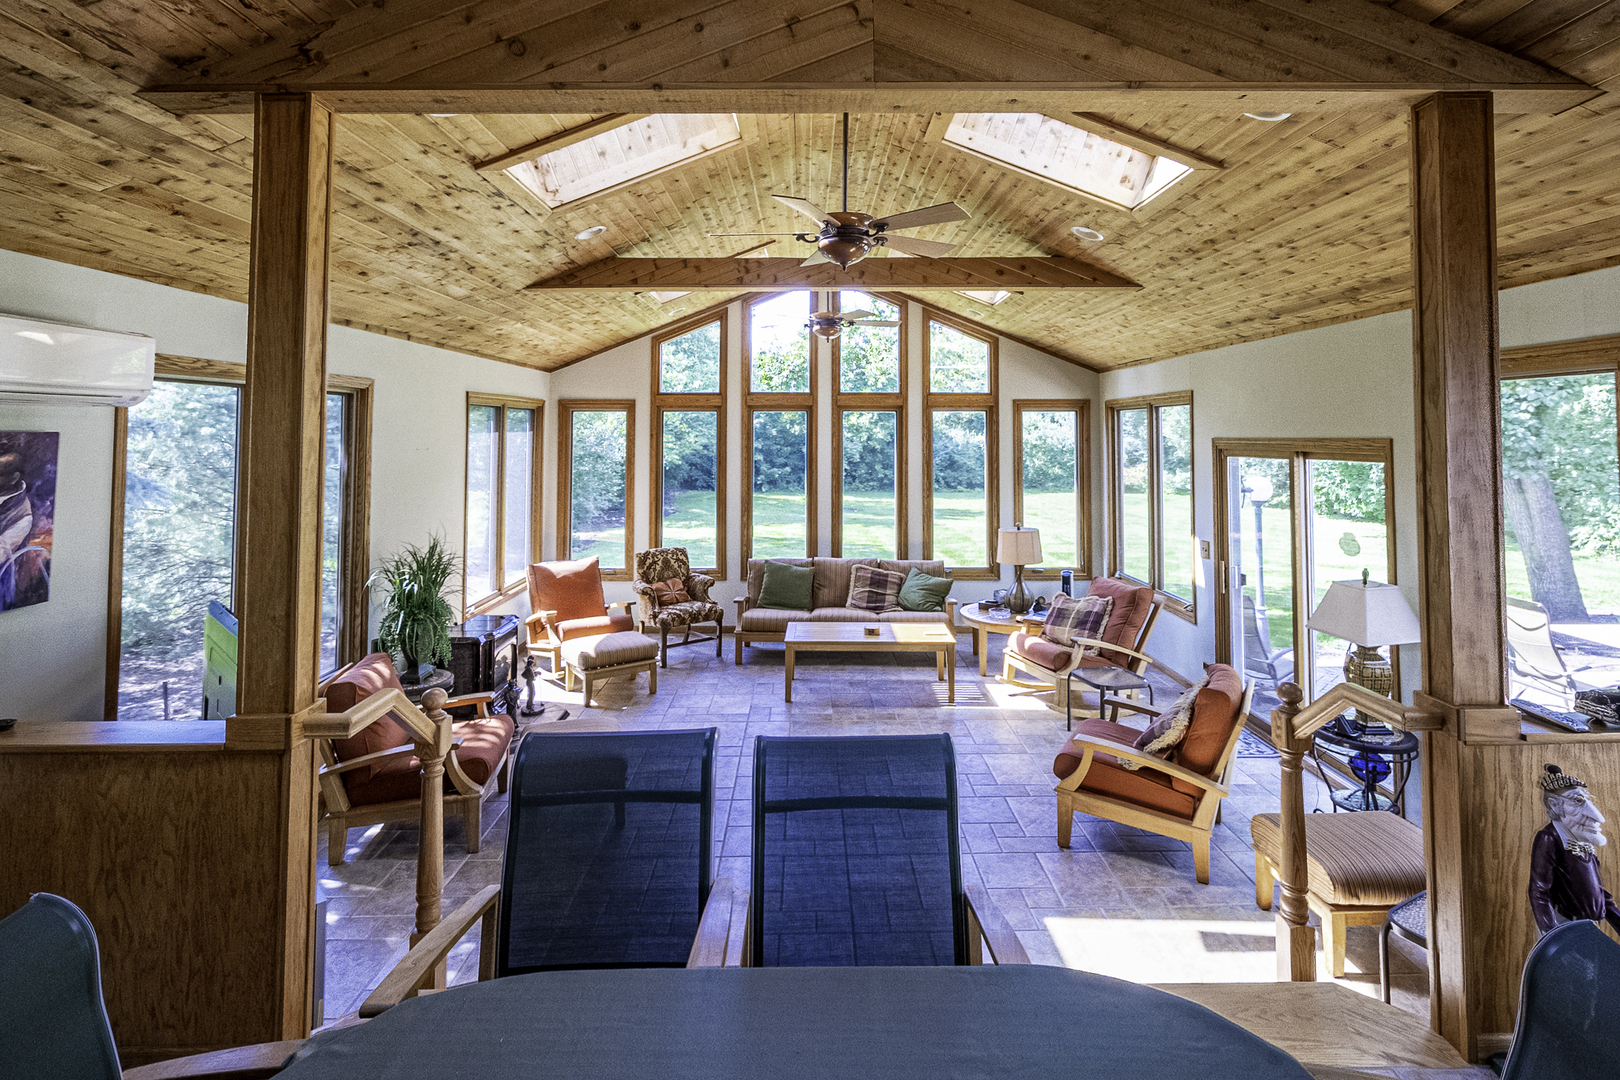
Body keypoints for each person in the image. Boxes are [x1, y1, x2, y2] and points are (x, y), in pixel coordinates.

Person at [1528, 763, 1620, 934]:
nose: (1595, 815)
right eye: (1577, 801)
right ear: (1555, 805)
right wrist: (1554, 936)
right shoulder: (1549, 838)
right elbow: (1539, 892)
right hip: (1566, 928)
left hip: (1590, 926)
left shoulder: (1583, 840)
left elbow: (1599, 892)